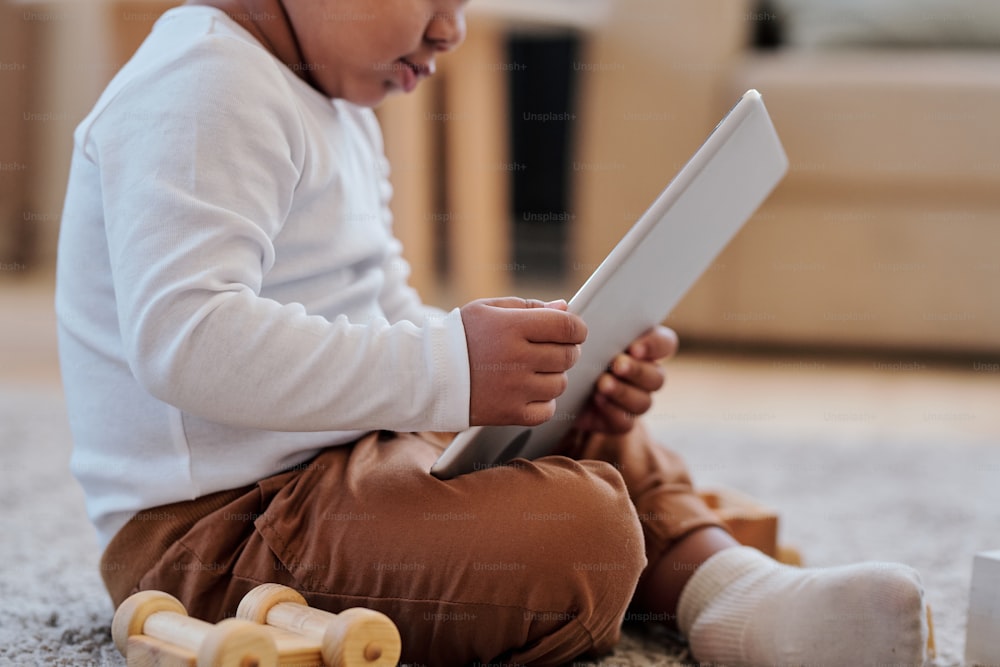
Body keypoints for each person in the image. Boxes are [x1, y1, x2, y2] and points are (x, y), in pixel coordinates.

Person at [55, 0, 928, 664]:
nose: (452, 31)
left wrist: (524, 369)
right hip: (217, 532)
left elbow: (381, 319)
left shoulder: (333, 102)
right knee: (577, 534)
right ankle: (695, 581)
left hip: (334, 471)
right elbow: (187, 339)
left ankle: (730, 589)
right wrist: (446, 367)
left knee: (586, 407)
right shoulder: (203, 84)